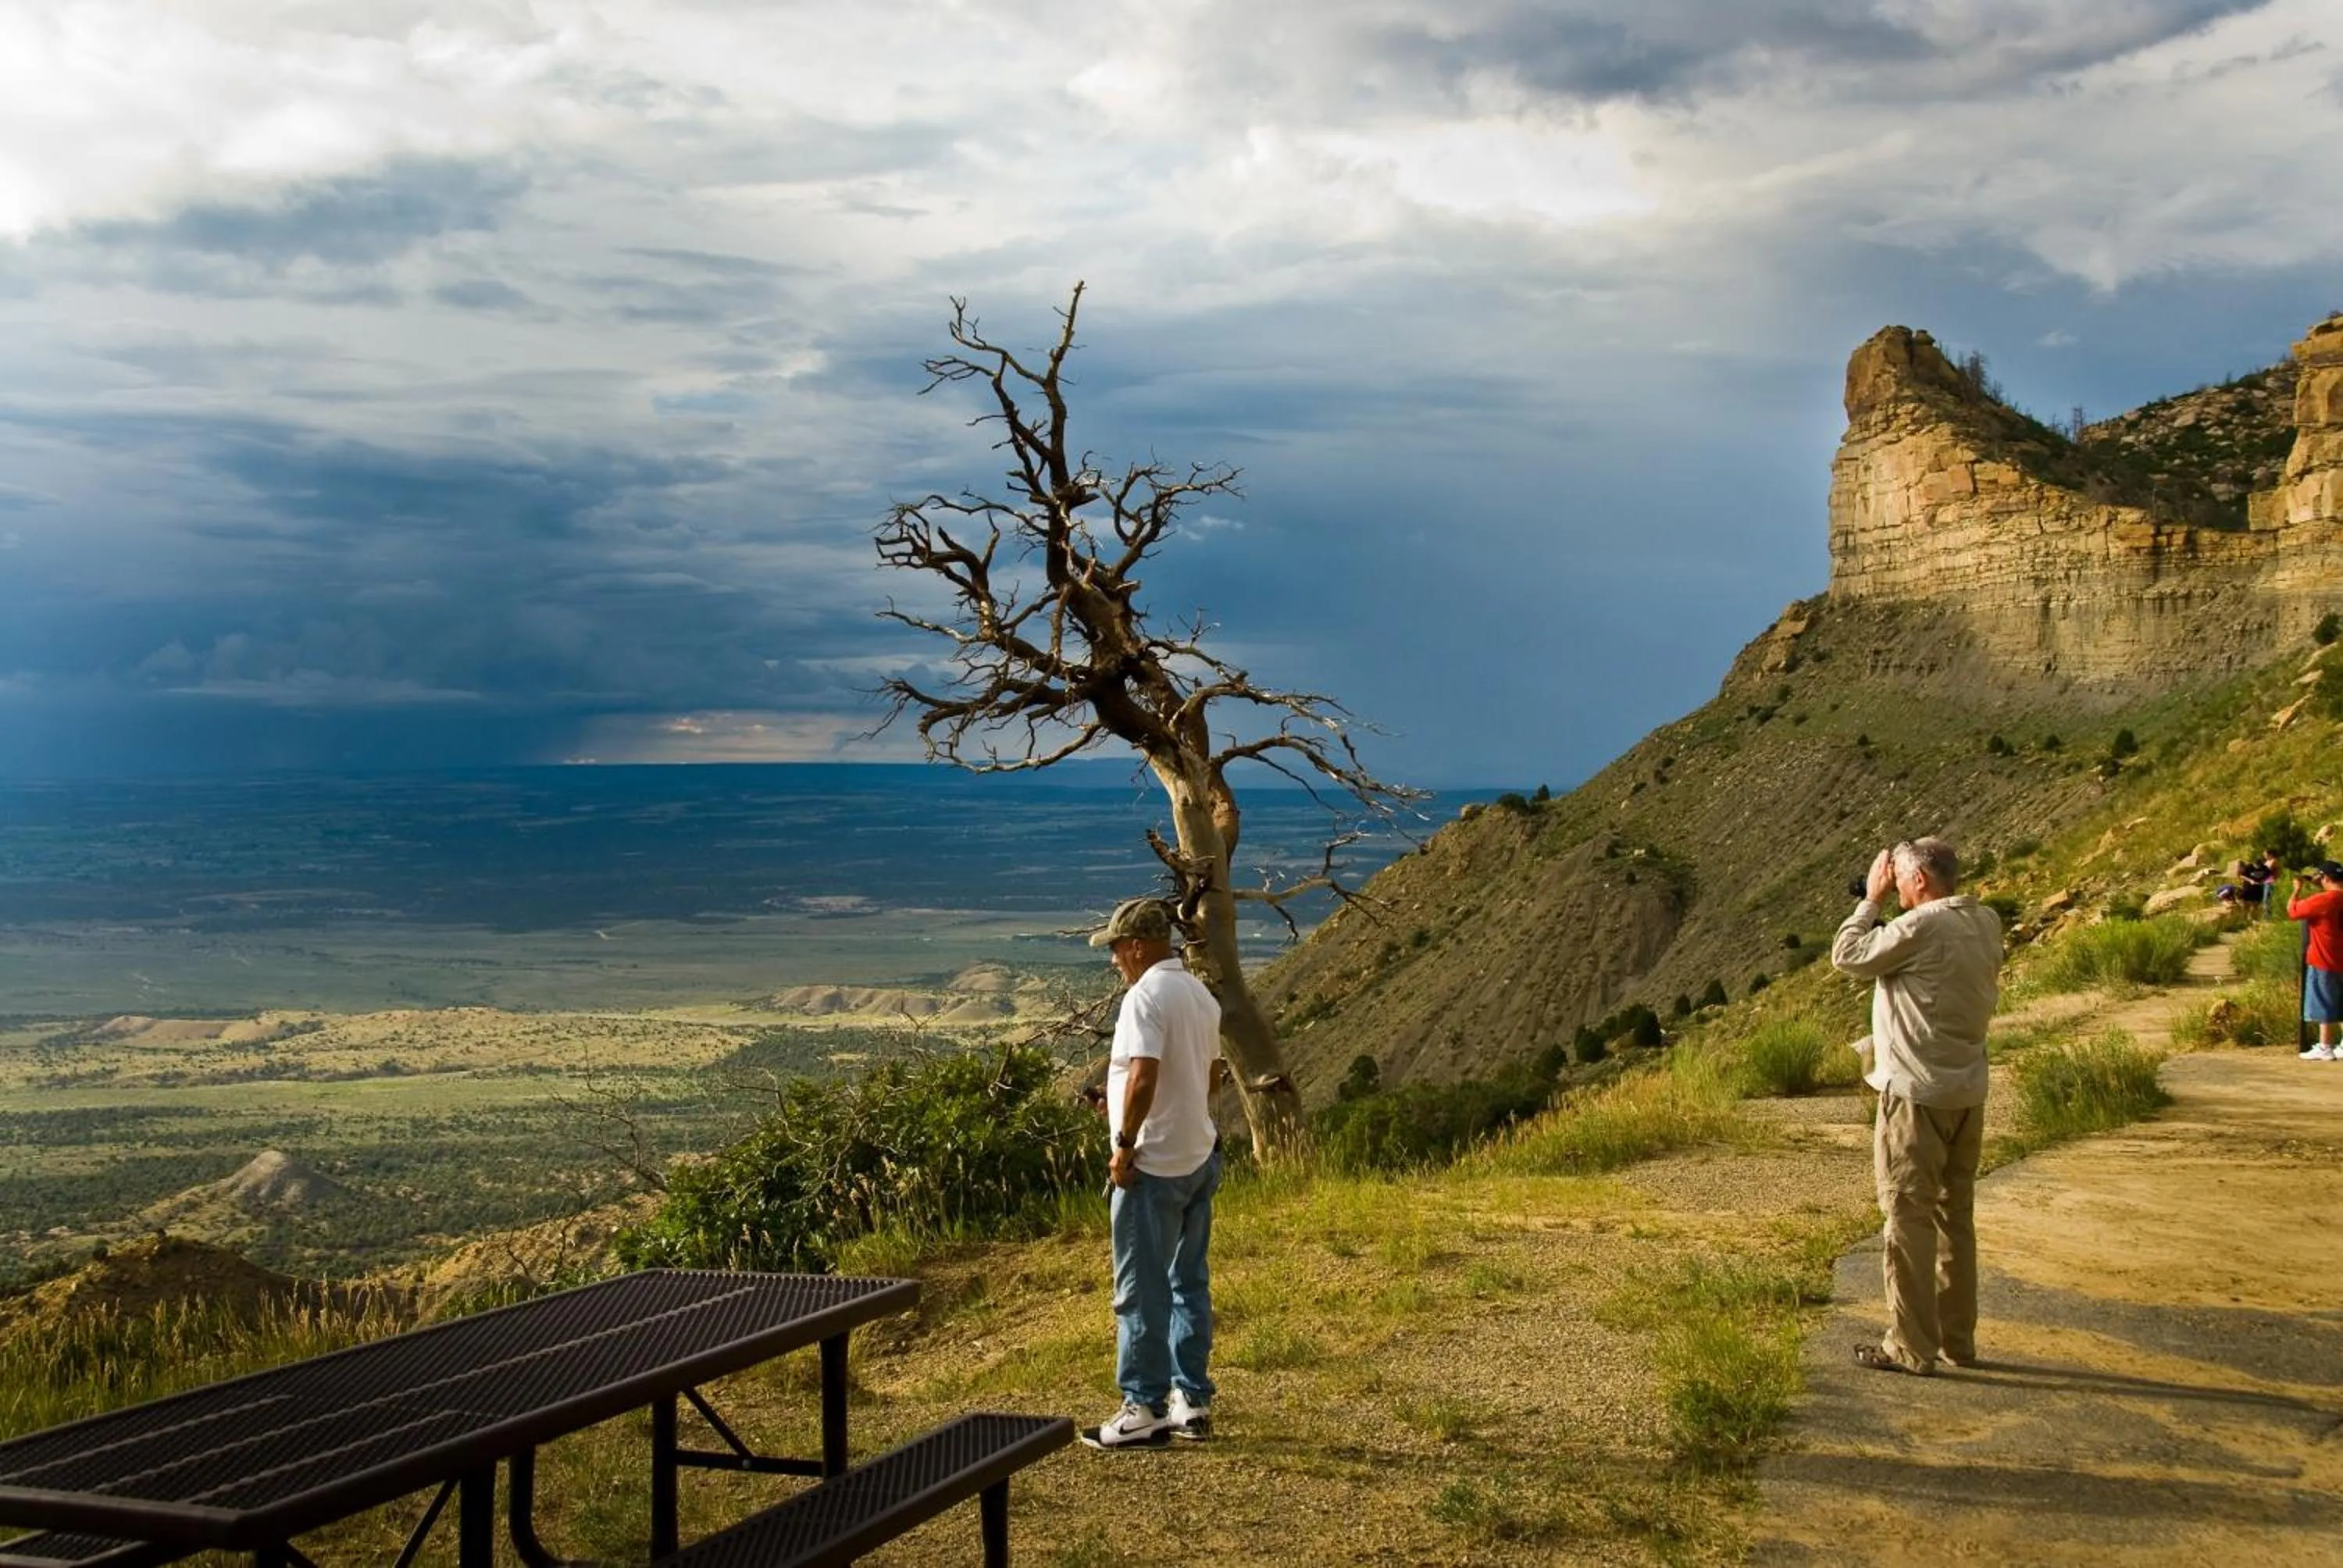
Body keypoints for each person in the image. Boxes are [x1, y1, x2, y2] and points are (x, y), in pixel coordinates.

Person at [1831, 838, 2005, 1376]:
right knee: (1956, 1218)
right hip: (1967, 1092)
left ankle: (1910, 1345)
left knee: (1908, 1218)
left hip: (1915, 1098)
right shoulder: (1985, 922)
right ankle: (1957, 1340)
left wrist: (1872, 898)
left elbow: (1848, 955)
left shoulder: (1921, 927)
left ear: (1920, 880)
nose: (1897, 885)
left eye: (1901, 878)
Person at [1079, 896, 1225, 1449]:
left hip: (1153, 1165)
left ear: (1138, 946)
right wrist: (1119, 1105)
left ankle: (1143, 1406)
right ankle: (1193, 1402)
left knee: (1140, 1290)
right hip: (1198, 1156)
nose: (1114, 959)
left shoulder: (1144, 997)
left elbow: (1143, 1076)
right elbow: (1207, 1079)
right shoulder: (1199, 995)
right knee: (1188, 1282)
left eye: (1117, 949)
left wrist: (1123, 1142)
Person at [2287, 861, 2343, 1060]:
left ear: (2325, 878)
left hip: (2324, 958)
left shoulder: (2323, 900)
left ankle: (2325, 1046)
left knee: (2323, 1001)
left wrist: (2297, 889)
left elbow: (2293, 911)